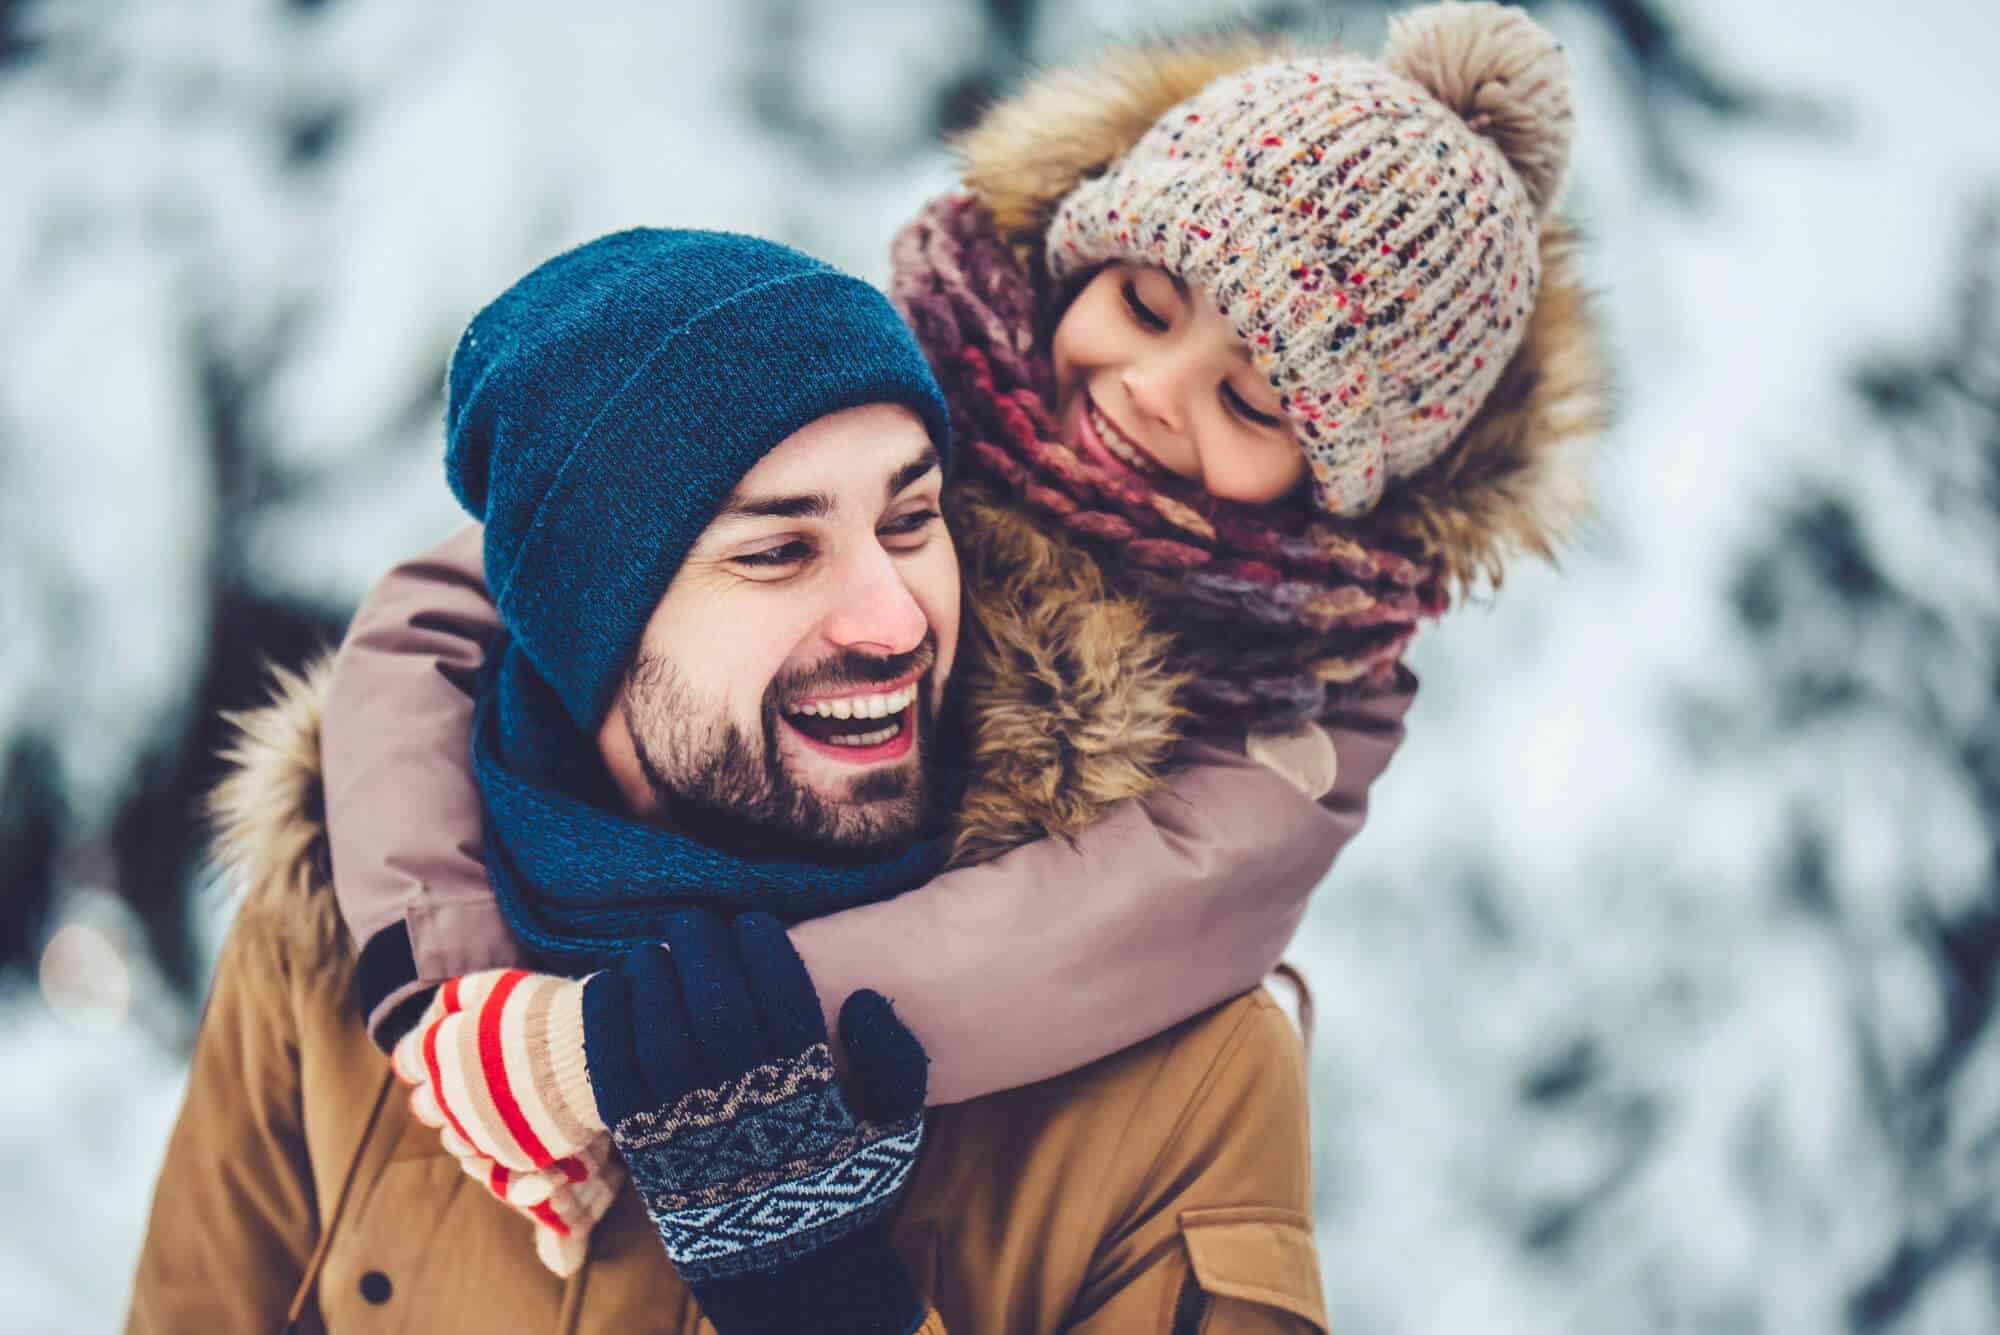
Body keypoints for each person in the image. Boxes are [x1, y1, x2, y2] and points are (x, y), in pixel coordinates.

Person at [314, 0, 1606, 1276]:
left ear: (1343, 486)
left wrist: (625, 1051)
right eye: (1145, 304)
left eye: (1252, 402)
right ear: (1084, 253)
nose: (1151, 392)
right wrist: (445, 984)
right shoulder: (910, 388)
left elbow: (1085, 930)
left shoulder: (1303, 692)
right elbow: (461, 604)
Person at [127, 228, 1335, 1333]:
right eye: (776, 551)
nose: (894, 620)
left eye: (910, 521)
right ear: (586, 623)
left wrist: (827, 1310)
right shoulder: (331, 941)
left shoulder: (1190, 1071)